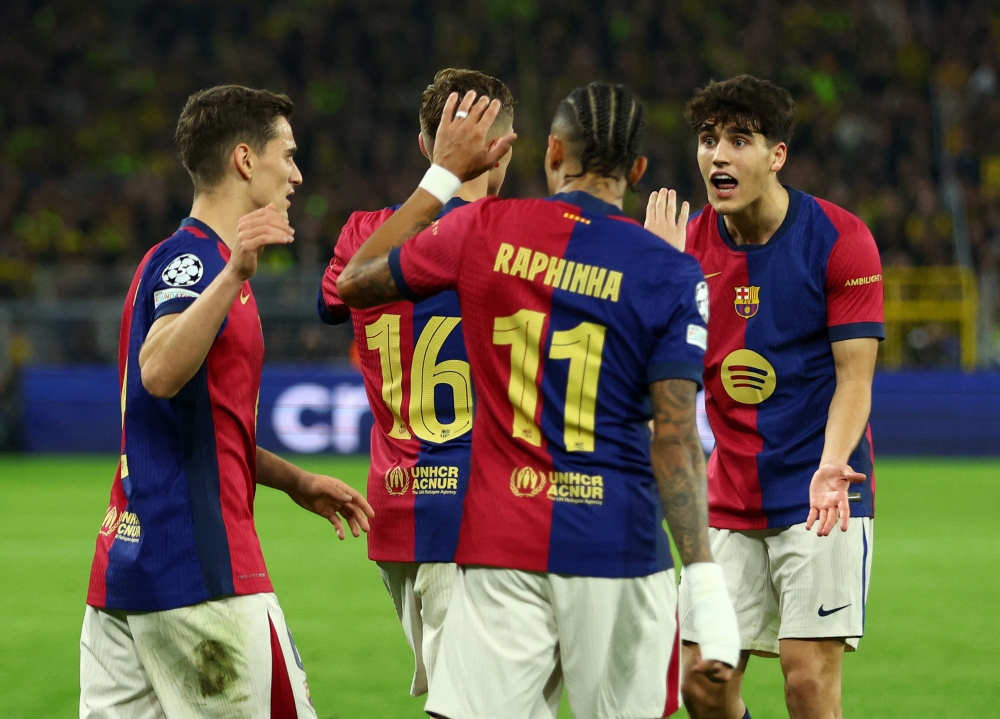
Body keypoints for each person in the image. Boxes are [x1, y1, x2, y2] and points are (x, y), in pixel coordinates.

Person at [337, 82, 741, 719]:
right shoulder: (668, 270)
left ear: (552, 151)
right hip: (619, 544)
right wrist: (708, 587)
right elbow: (675, 438)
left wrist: (443, 174)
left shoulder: (482, 228)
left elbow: (355, 281)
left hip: (502, 542)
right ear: (637, 170)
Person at [80, 85, 374, 719]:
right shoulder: (198, 264)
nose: (297, 174)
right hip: (201, 576)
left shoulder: (169, 259)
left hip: (125, 577)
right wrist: (234, 272)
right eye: (287, 155)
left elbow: (197, 425)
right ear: (245, 159)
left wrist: (293, 479)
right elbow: (158, 372)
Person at [646, 75, 882, 719]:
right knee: (702, 682)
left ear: (776, 155)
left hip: (821, 489)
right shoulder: (684, 247)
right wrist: (658, 277)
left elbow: (855, 378)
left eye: (738, 140)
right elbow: (652, 374)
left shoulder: (840, 238)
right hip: (729, 494)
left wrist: (831, 466)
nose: (718, 155)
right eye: (707, 140)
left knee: (806, 682)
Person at [317, 68, 514, 697]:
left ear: (425, 146)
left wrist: (439, 183)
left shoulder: (361, 235)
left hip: (396, 512)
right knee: (481, 703)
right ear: (502, 148)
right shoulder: (517, 238)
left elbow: (333, 300)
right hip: (484, 516)